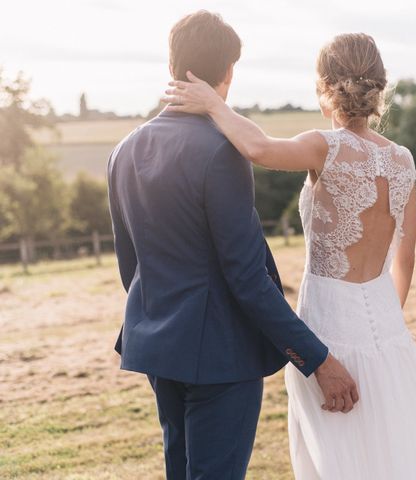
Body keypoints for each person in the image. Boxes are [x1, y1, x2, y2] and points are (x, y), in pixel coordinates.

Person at [164, 27, 416, 479]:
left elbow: (257, 148)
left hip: (328, 321)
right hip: (387, 322)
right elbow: (405, 257)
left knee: (337, 451)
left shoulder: (324, 147)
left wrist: (214, 104)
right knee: (394, 442)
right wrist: (385, 319)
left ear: (323, 88)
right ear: (379, 87)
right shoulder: (402, 159)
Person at [107, 11, 358, 480]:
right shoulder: (221, 151)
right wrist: (316, 359)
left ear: (172, 65)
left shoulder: (123, 150)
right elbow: (247, 276)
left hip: (159, 348)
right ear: (227, 74)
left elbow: (130, 265)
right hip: (220, 354)